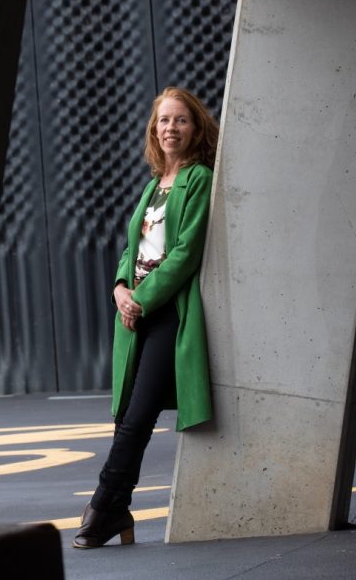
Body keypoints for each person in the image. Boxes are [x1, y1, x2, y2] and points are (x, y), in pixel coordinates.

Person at [73, 86, 219, 549]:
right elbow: (131, 248)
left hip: (168, 313)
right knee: (125, 418)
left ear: (195, 128)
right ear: (153, 131)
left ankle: (100, 506)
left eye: (180, 120)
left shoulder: (198, 178)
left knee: (138, 417)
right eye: (163, 121)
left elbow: (185, 253)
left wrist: (141, 300)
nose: (170, 128)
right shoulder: (152, 186)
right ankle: (117, 511)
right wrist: (119, 289)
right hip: (134, 311)